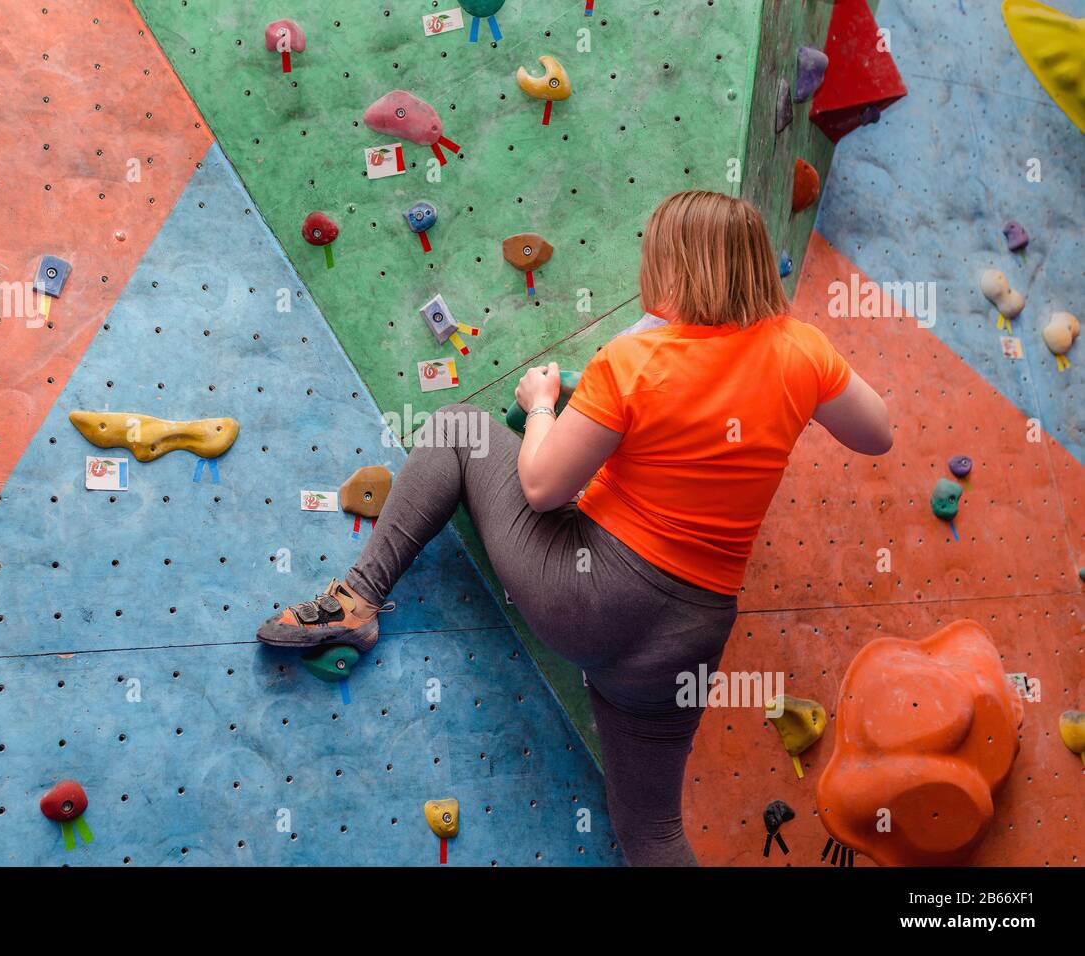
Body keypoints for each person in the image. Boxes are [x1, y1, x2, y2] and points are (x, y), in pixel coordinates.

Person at [256, 190, 892, 865]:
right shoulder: (802, 351)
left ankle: (357, 597)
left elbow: (541, 486)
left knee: (460, 429)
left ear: (671, 267)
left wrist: (538, 409)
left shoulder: (636, 362)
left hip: (593, 594)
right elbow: (876, 434)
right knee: (652, 834)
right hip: (690, 639)